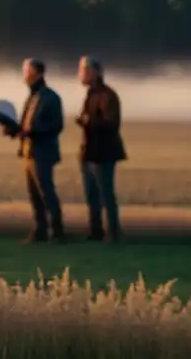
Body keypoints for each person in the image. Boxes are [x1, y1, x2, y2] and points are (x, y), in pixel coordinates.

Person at [2, 58, 65, 243]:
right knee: (35, 195)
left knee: (46, 192)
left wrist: (30, 132)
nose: (24, 76)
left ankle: (57, 232)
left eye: (27, 72)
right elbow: (26, 125)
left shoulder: (50, 97)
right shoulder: (34, 96)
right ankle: (40, 231)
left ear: (37, 73)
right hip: (29, 151)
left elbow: (56, 126)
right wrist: (14, 129)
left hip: (42, 152)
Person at [76, 56, 126, 242]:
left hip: (103, 152)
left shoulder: (107, 95)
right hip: (89, 151)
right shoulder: (91, 94)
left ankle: (114, 232)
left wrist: (90, 122)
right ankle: (95, 231)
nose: (81, 74)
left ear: (95, 72)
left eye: (84, 70)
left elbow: (112, 123)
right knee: (92, 195)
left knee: (106, 194)